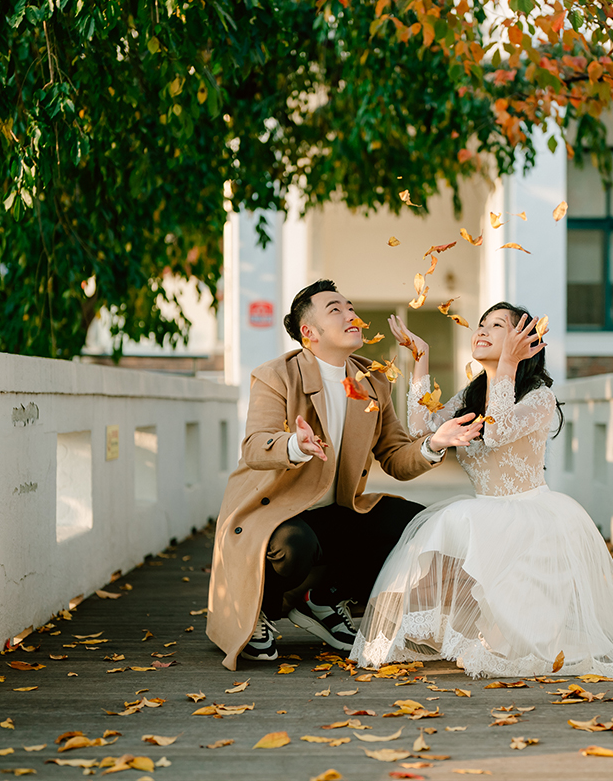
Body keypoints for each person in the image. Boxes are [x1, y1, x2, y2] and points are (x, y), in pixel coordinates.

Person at [349, 302, 613, 678]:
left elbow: (499, 432)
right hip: (486, 516)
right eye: (482, 323)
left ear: (523, 340)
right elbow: (422, 429)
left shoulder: (538, 397)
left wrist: (508, 366)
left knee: (518, 637)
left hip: (531, 522)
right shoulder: (472, 395)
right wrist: (420, 358)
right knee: (439, 541)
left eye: (497, 325)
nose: (482, 330)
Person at [206, 280, 484, 670]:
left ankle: (322, 598)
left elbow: (396, 459)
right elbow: (254, 446)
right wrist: (293, 446)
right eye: (335, 309)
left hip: (336, 511)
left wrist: (434, 443)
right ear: (309, 332)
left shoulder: (373, 381)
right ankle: (258, 616)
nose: (350, 315)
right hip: (276, 513)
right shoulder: (276, 375)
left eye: (350, 307)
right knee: (292, 547)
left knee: (414, 525)